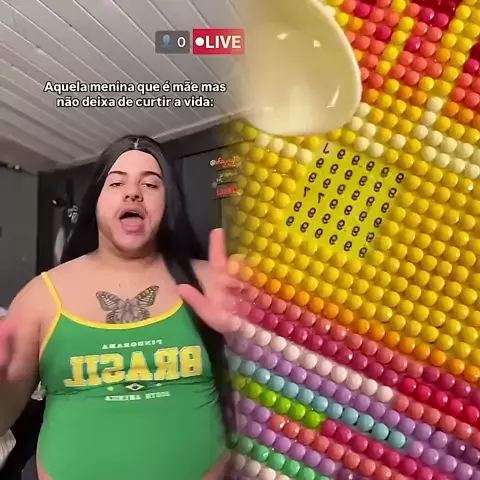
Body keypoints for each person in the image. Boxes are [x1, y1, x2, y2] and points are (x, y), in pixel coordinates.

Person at [0, 135, 242, 480]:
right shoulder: (41, 296)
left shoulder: (213, 283)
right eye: (116, 183)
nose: (133, 193)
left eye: (150, 184)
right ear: (96, 200)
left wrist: (252, 340)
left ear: (168, 202)